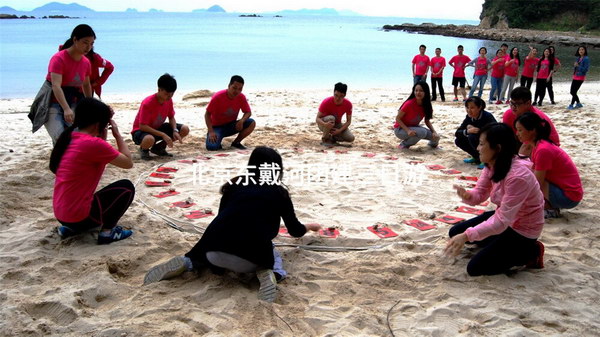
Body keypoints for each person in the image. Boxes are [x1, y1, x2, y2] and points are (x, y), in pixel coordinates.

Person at [143, 147, 321, 302]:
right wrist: (309, 226)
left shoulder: (234, 186)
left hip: (211, 252)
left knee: (221, 239)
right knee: (273, 254)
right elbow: (295, 231)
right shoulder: (279, 193)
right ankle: (271, 273)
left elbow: (222, 217)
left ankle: (188, 262)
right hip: (249, 260)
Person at [444, 123, 545, 276]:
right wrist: (468, 195)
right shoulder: (491, 164)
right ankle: (498, 245)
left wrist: (467, 236)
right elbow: (480, 193)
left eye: (482, 144)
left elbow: (500, 222)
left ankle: (532, 252)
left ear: (497, 148)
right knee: (455, 232)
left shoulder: (518, 177)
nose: (477, 148)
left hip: (522, 228)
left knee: (475, 268)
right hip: (505, 220)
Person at [50, 98, 135, 244]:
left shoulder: (70, 138)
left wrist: (103, 120)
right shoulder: (93, 144)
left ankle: (72, 229)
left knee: (89, 197)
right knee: (126, 188)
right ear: (98, 124)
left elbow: (100, 143)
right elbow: (128, 162)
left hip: (62, 215)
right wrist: (117, 134)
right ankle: (107, 233)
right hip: (79, 217)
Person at [30, 24, 95, 145]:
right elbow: (56, 86)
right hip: (52, 102)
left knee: (77, 137)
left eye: (91, 44)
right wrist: (66, 109)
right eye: (85, 42)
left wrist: (90, 104)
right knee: (60, 137)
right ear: (75, 40)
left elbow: (86, 85)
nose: (88, 47)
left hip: (74, 100)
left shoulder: (86, 62)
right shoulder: (59, 58)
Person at [515, 113, 583, 218]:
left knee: (529, 179)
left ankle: (548, 208)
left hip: (569, 197)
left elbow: (536, 183)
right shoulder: (539, 145)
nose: (517, 133)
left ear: (532, 130)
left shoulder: (543, 150)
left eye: (520, 130)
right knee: (527, 174)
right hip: (566, 191)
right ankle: (548, 205)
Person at [131, 73, 190, 160]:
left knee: (184, 129)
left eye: (171, 94)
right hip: (140, 131)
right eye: (167, 94)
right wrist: (163, 135)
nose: (169, 97)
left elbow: (171, 117)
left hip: (157, 128)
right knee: (149, 139)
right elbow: (142, 126)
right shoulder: (148, 103)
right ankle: (144, 149)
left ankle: (158, 148)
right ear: (159, 90)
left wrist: (175, 130)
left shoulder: (169, 100)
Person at [502, 87, 560, 156]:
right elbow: (506, 138)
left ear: (528, 103)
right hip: (525, 141)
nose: (513, 107)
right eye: (511, 103)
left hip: (546, 146)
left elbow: (534, 143)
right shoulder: (509, 115)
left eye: (517, 104)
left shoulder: (536, 118)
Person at [205, 75, 256, 150]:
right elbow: (207, 114)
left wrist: (242, 121)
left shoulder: (241, 97)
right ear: (229, 86)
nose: (237, 91)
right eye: (234, 88)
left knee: (251, 122)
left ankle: (236, 143)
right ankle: (216, 139)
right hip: (216, 127)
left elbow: (248, 112)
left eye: (240, 89)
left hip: (231, 126)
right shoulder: (218, 97)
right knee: (212, 147)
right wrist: (211, 131)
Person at [393, 81, 440, 149]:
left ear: (425, 92)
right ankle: (404, 144)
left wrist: (434, 132)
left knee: (437, 137)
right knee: (422, 132)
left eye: (421, 91)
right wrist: (408, 130)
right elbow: (398, 118)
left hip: (414, 127)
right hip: (400, 130)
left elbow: (427, 121)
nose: (418, 93)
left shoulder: (427, 105)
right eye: (416, 90)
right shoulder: (409, 104)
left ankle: (432, 145)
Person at [454, 96, 497, 169]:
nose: (469, 110)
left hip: (490, 143)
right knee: (458, 140)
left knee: (472, 136)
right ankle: (476, 157)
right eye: (467, 107)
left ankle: (485, 159)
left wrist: (479, 130)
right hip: (478, 141)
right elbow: (457, 133)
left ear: (479, 107)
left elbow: (495, 132)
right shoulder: (469, 117)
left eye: (472, 108)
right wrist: (467, 131)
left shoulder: (487, 116)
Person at [568, 46, 590, 110]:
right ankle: (578, 103)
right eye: (580, 49)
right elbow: (576, 67)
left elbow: (585, 69)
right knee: (572, 91)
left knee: (573, 92)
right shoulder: (578, 58)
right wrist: (575, 66)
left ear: (585, 51)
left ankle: (571, 104)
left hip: (580, 77)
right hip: (575, 76)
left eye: (582, 49)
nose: (581, 51)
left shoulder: (586, 59)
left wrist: (578, 66)